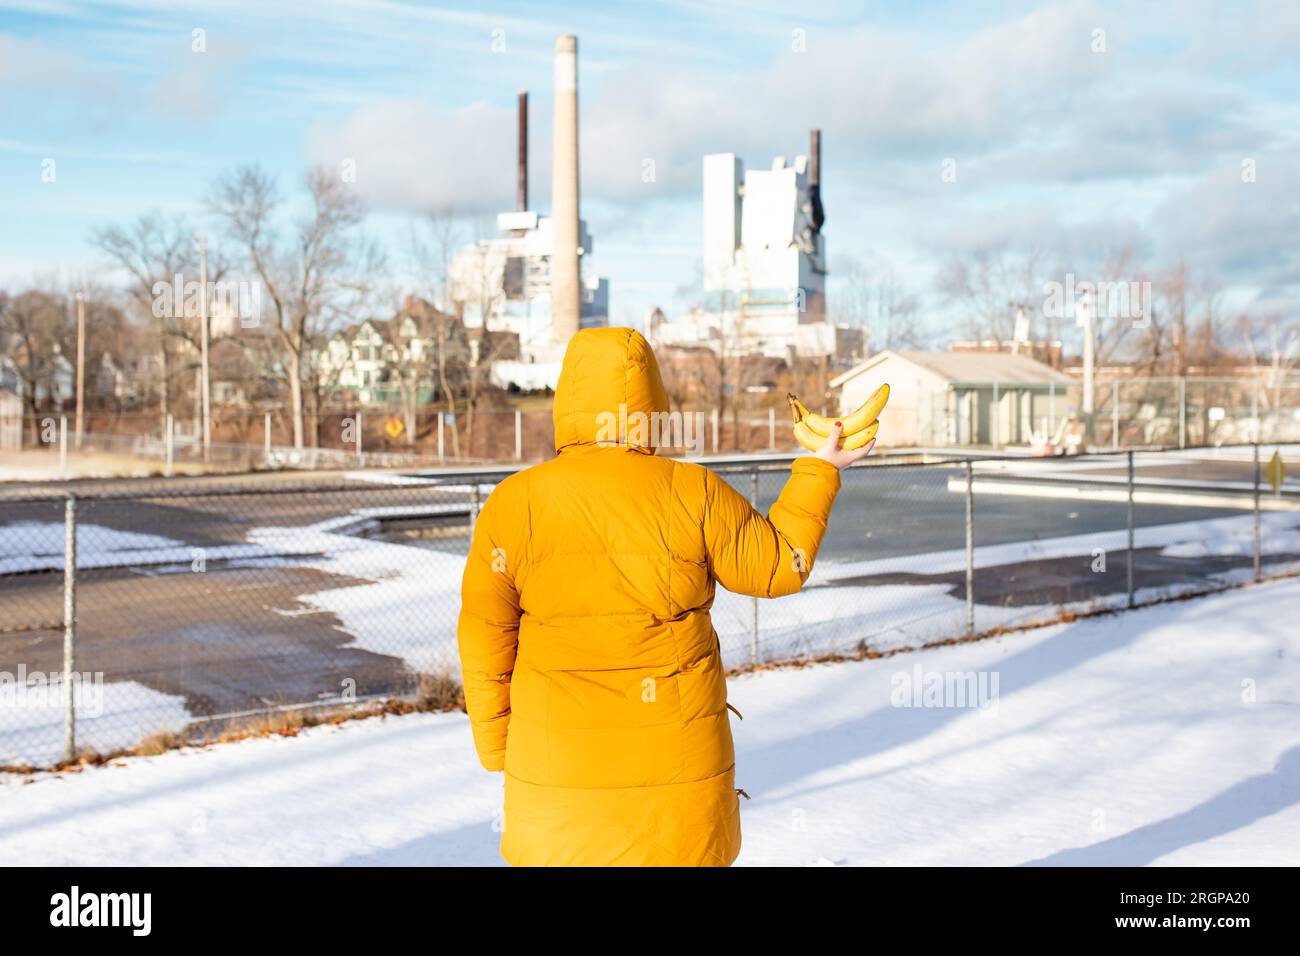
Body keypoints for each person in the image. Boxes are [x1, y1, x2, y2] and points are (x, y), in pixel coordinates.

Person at [457, 327, 873, 866]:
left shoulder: (514, 504)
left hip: (556, 771)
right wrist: (819, 469)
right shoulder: (692, 491)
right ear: (653, 398)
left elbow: (484, 636)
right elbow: (777, 568)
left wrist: (497, 747)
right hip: (678, 776)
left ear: (568, 398)